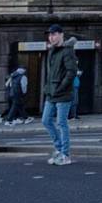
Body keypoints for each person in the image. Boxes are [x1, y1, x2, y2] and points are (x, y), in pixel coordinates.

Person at [40, 23, 78, 165]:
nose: (51, 37)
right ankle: (58, 148)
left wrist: (61, 88)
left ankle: (65, 154)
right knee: (45, 120)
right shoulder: (52, 51)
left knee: (62, 123)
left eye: (54, 34)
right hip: (51, 93)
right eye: (50, 35)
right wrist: (48, 88)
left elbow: (71, 72)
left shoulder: (67, 50)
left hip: (62, 93)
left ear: (61, 35)